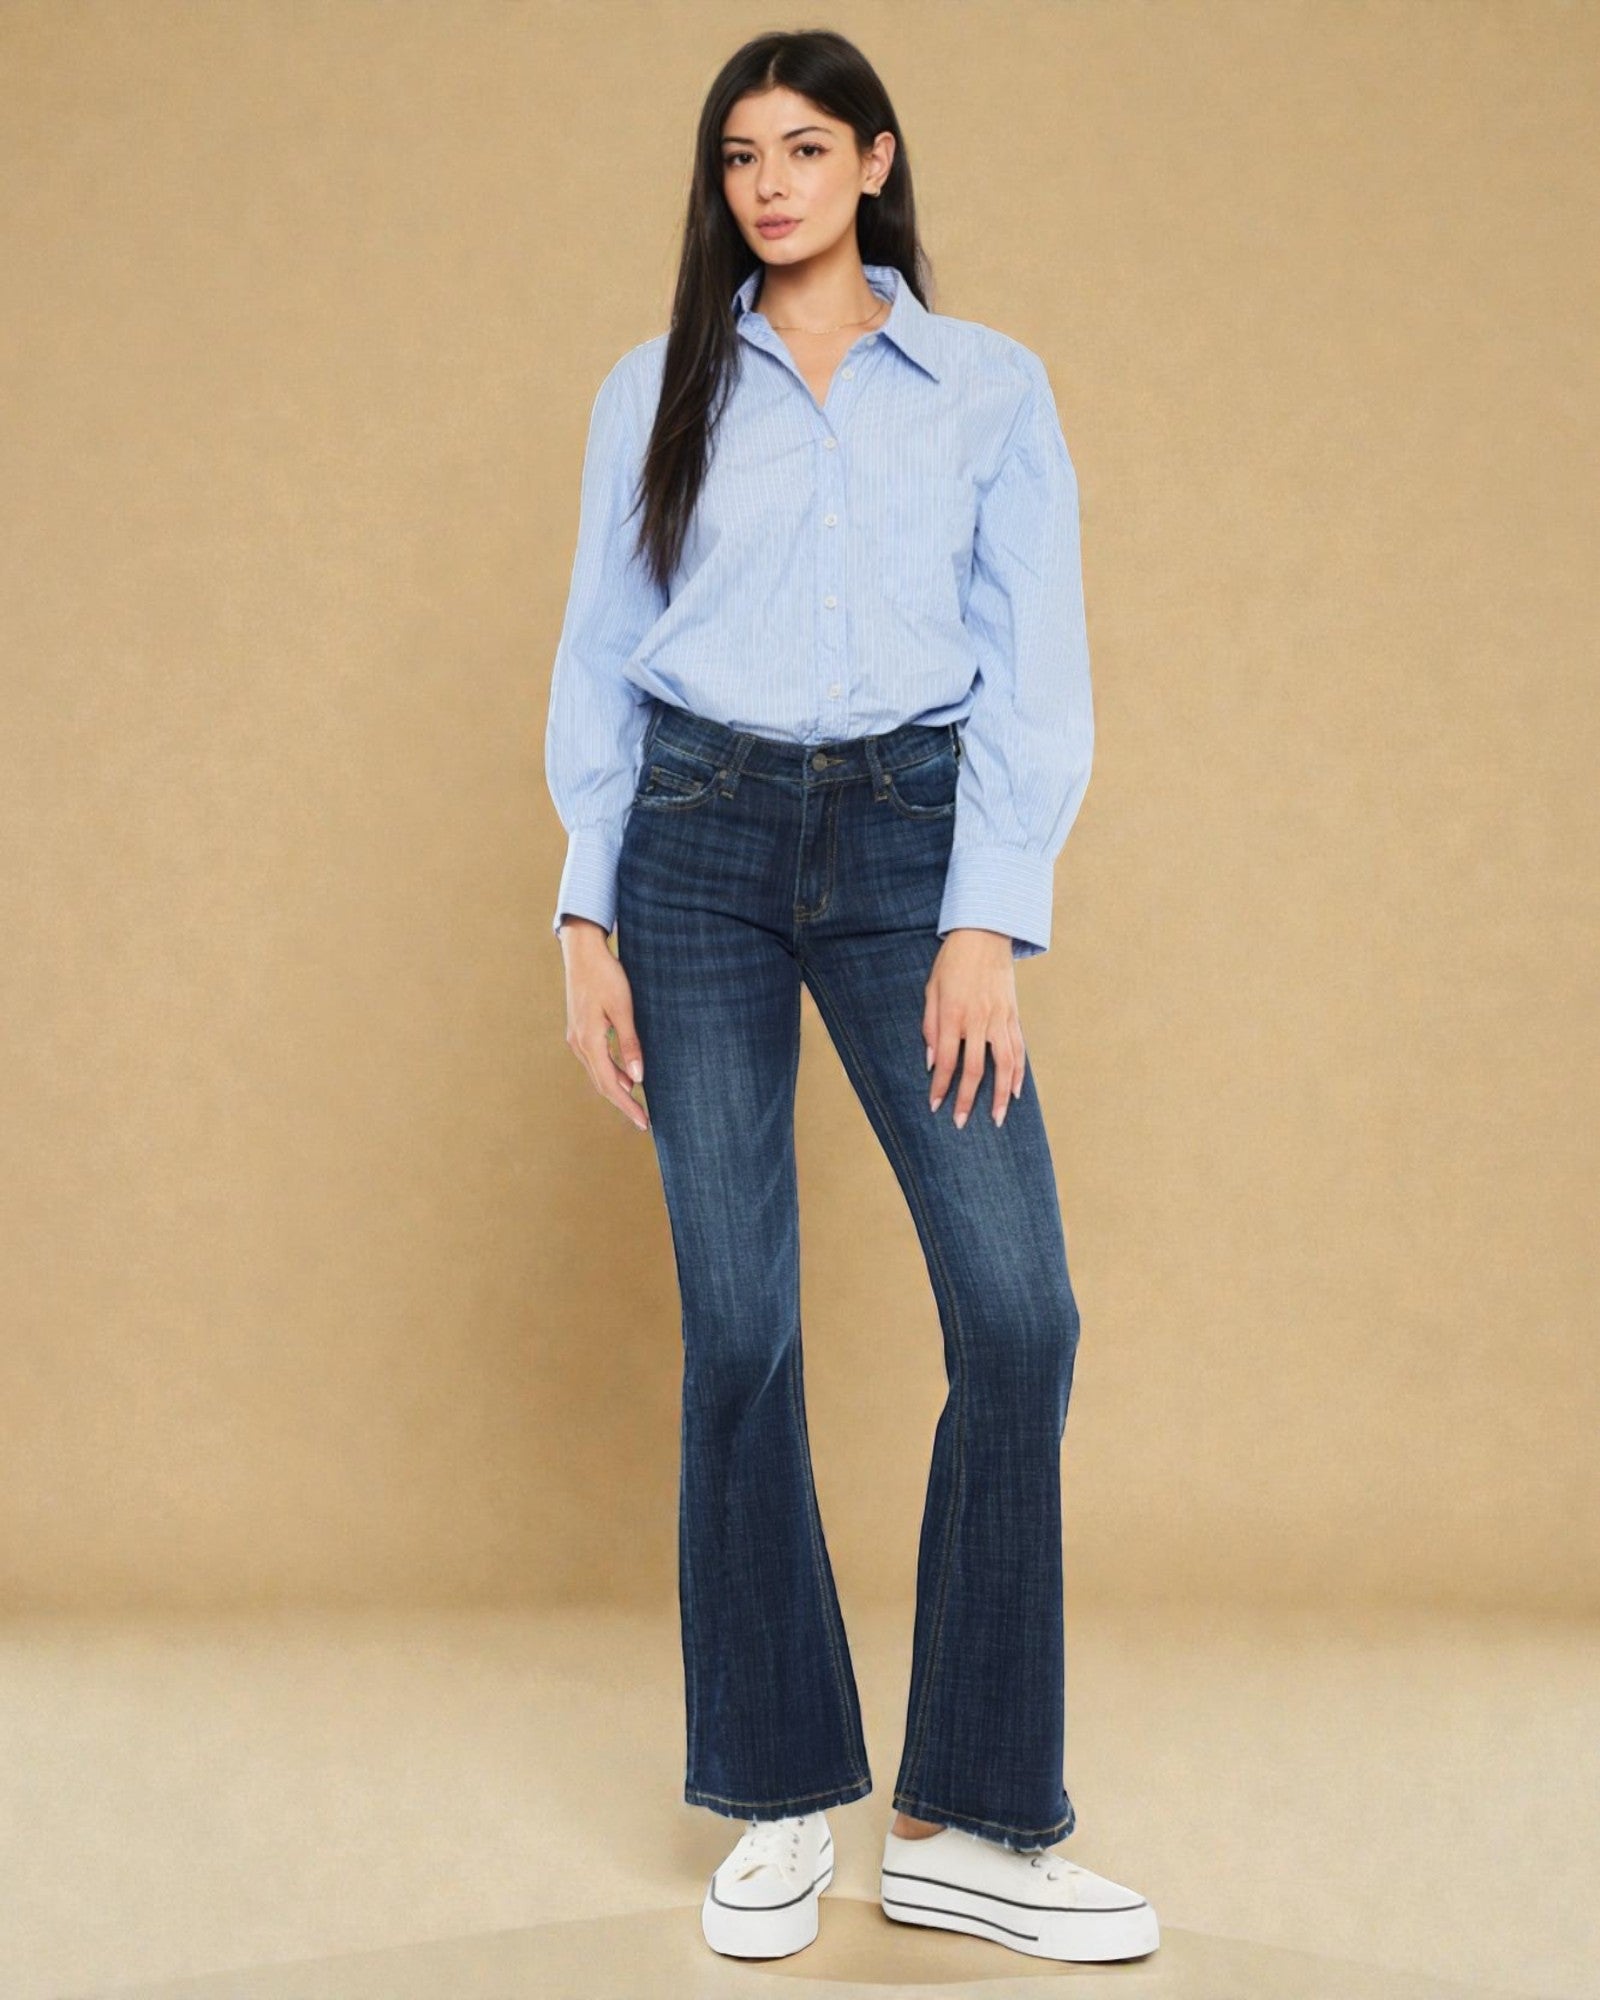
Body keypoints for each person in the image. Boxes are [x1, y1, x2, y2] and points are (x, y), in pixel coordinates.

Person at [543, 26, 1159, 1970]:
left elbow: (1031, 668)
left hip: (907, 851)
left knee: (1015, 1306)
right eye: (740, 155)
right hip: (696, 854)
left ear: (875, 162)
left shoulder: (986, 388)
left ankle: (967, 1811)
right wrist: (587, 915)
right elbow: (602, 657)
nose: (771, 183)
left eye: (806, 147)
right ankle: (775, 1788)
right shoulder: (656, 387)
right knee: (737, 1329)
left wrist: (988, 913)